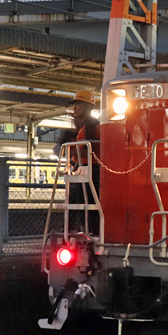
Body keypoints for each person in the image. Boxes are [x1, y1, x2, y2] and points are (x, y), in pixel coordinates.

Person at [55, 90, 101, 234]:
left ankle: (91, 233)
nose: (75, 108)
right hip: (85, 170)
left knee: (86, 205)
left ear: (88, 107)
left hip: (90, 171)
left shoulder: (90, 125)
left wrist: (65, 150)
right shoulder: (87, 125)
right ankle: (81, 231)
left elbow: (87, 151)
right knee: (80, 204)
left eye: (78, 104)